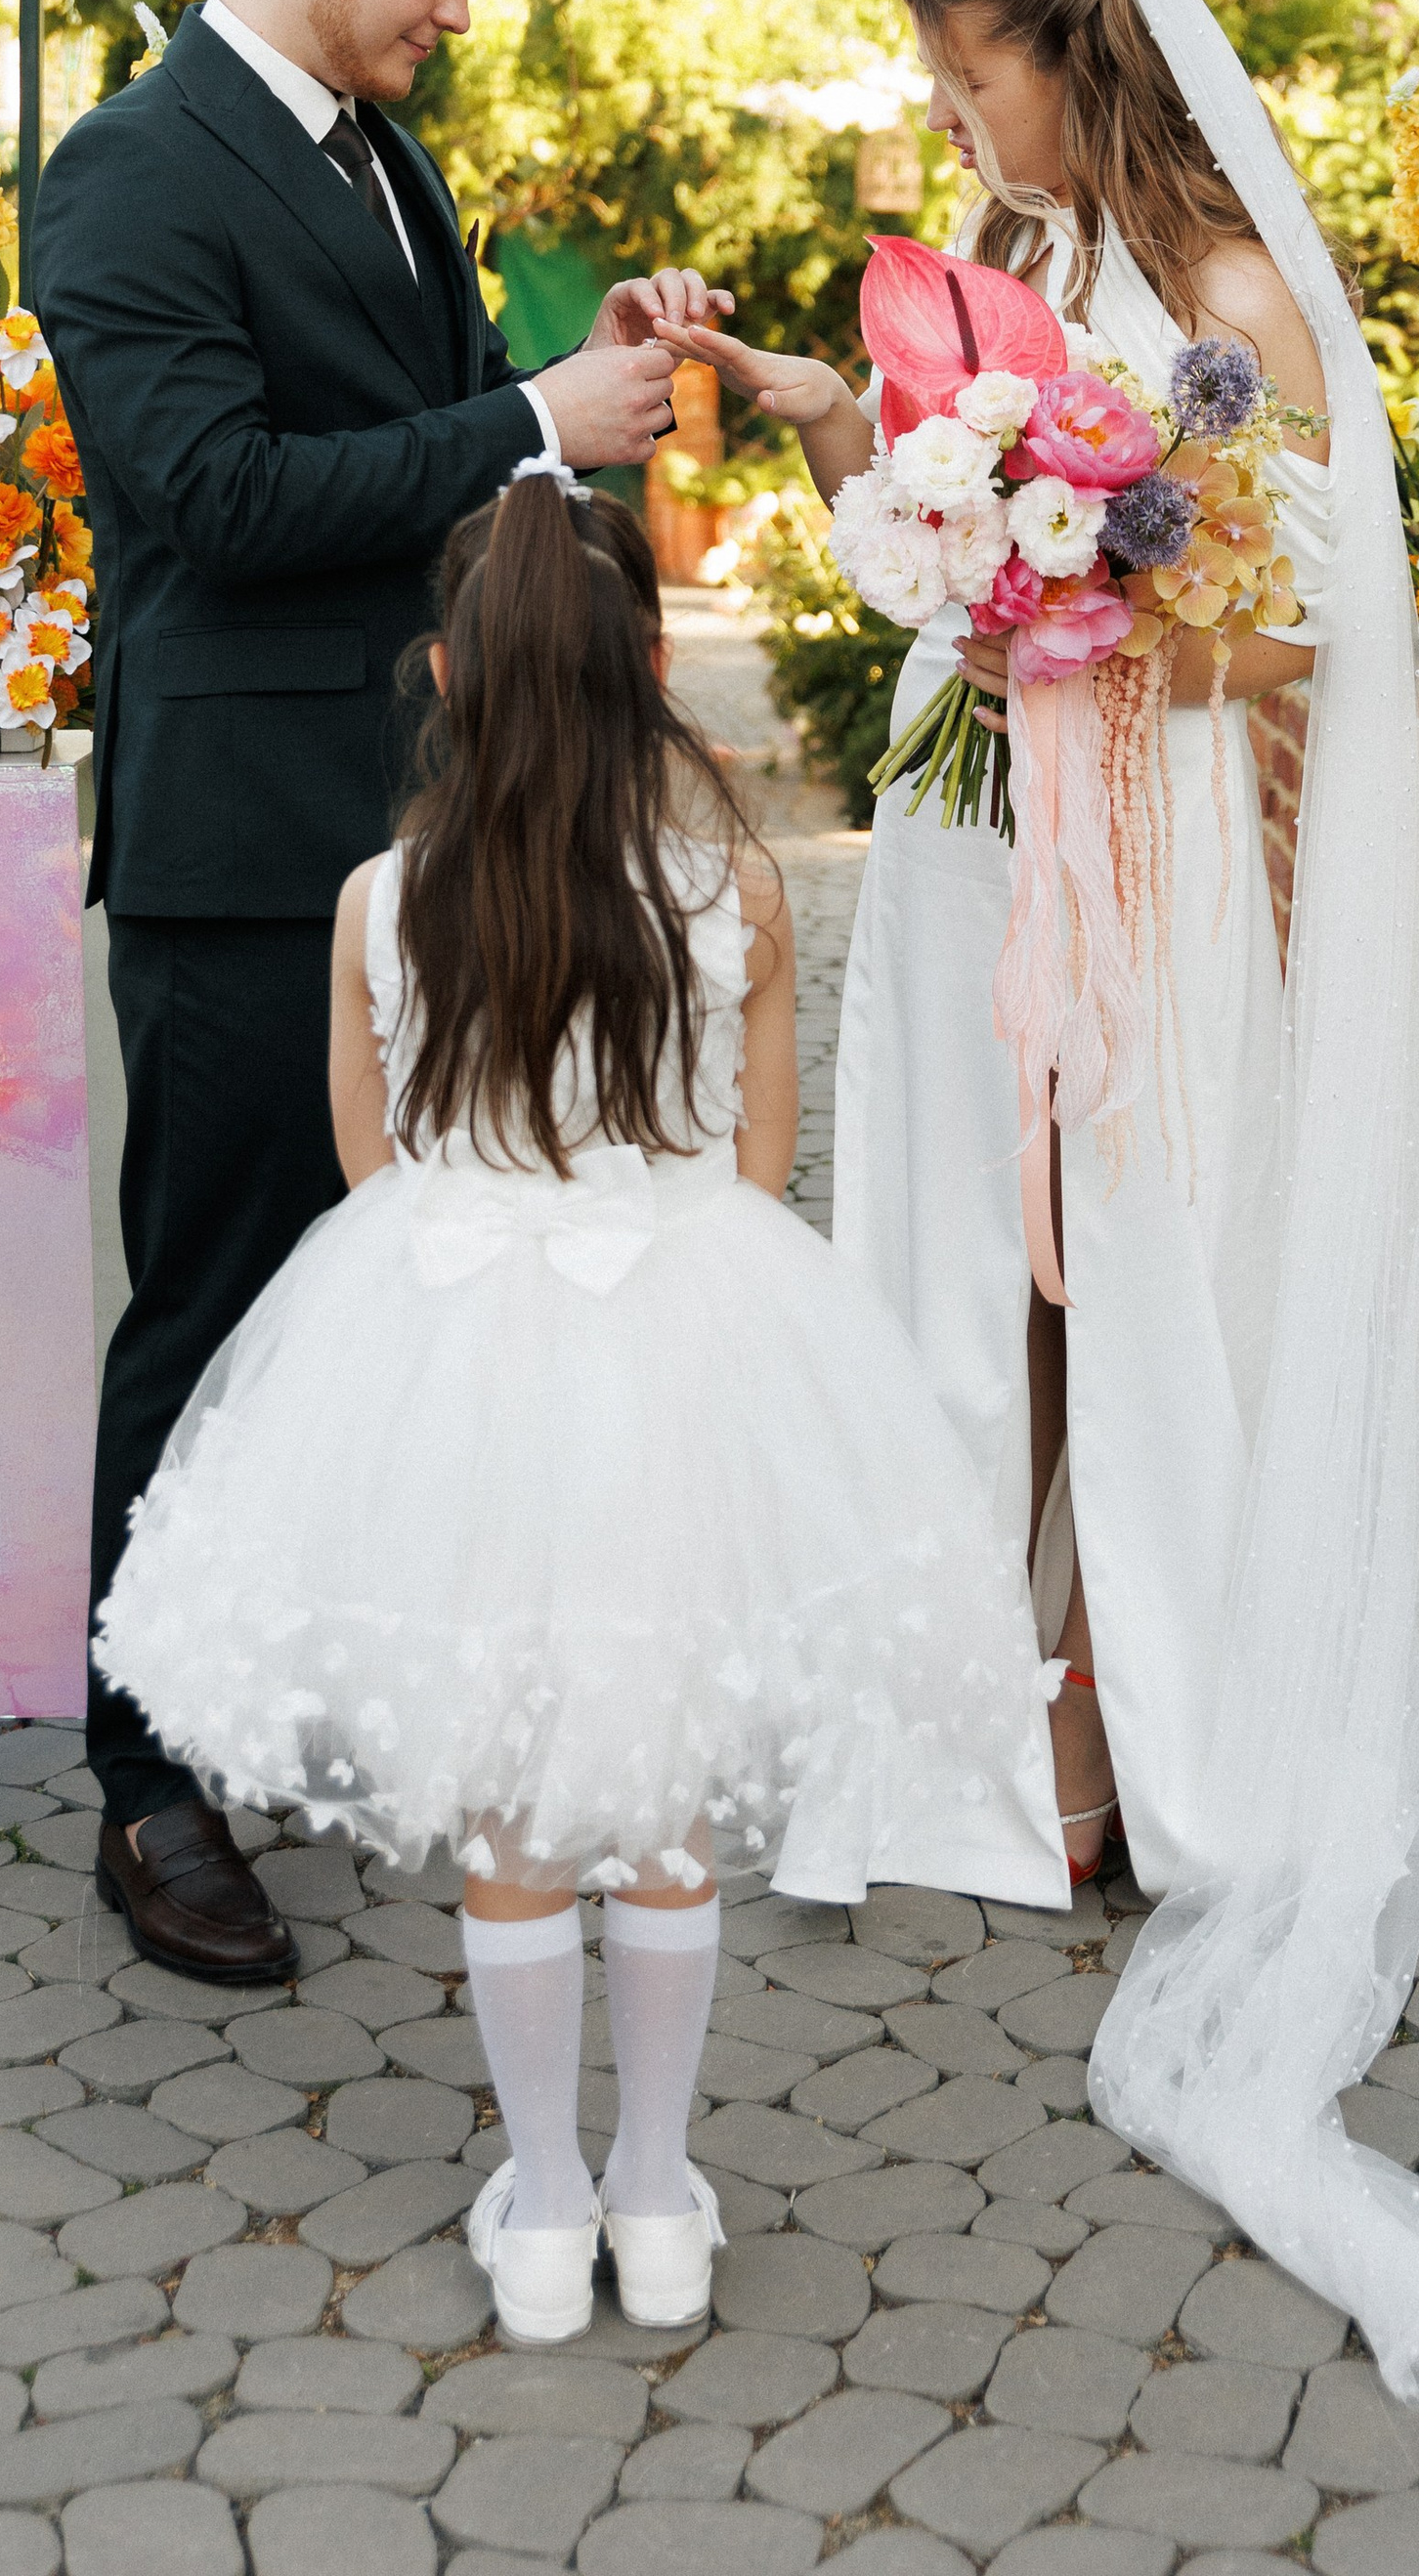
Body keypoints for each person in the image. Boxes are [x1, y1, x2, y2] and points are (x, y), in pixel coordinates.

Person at [677, 0, 1419, 2407]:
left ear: (1077, 57)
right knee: (958, 1259)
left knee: (1120, 1261)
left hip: (1155, 859)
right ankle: (973, 1728)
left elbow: (1306, 633)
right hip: (975, 840)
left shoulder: (1230, 297)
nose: (949, 115)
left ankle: (1139, 1737)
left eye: (975, 72)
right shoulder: (1028, 245)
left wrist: (1078, 620)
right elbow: (946, 461)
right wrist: (862, 446)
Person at [94, 468, 1064, 2346]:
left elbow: (373, 1171)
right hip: (685, 1339)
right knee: (662, 1798)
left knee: (512, 1807)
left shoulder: (383, 903)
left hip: (448, 1355)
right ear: (642, 665)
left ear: (448, 670)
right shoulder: (745, 890)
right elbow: (761, 1160)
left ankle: (541, 2209)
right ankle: (658, 2196)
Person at [30, 0, 719, 1987]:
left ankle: (333, 1694)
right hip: (247, 848)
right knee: (218, 1292)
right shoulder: (127, 174)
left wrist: (575, 385)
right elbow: (216, 498)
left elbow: (428, 463)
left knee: (422, 1291)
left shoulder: (393, 164)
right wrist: (523, 416)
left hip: (433, 833)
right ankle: (147, 1784)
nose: (453, 3)